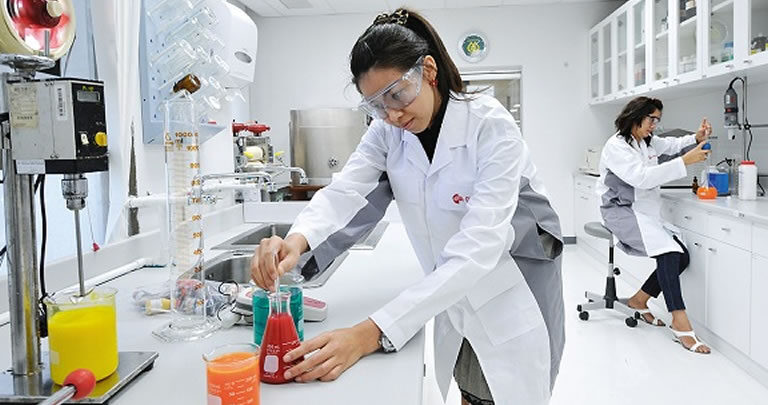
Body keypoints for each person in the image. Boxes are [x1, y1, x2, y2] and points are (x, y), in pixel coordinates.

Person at [250, 8, 564, 404]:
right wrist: (297, 239)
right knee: (470, 388)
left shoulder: (490, 126)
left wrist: (370, 333)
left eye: (397, 94)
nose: (392, 114)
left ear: (428, 71)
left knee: (504, 390)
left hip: (508, 288)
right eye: (376, 105)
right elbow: (346, 189)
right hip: (448, 287)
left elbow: (481, 247)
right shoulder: (387, 131)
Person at [596, 96, 712, 354]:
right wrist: (685, 161)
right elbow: (641, 178)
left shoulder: (645, 141)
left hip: (643, 211)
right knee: (669, 252)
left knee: (681, 256)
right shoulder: (617, 146)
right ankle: (680, 321)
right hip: (620, 210)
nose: (654, 126)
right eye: (652, 119)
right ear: (635, 116)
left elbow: (671, 144)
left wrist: (695, 137)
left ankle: (639, 300)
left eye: (657, 120)